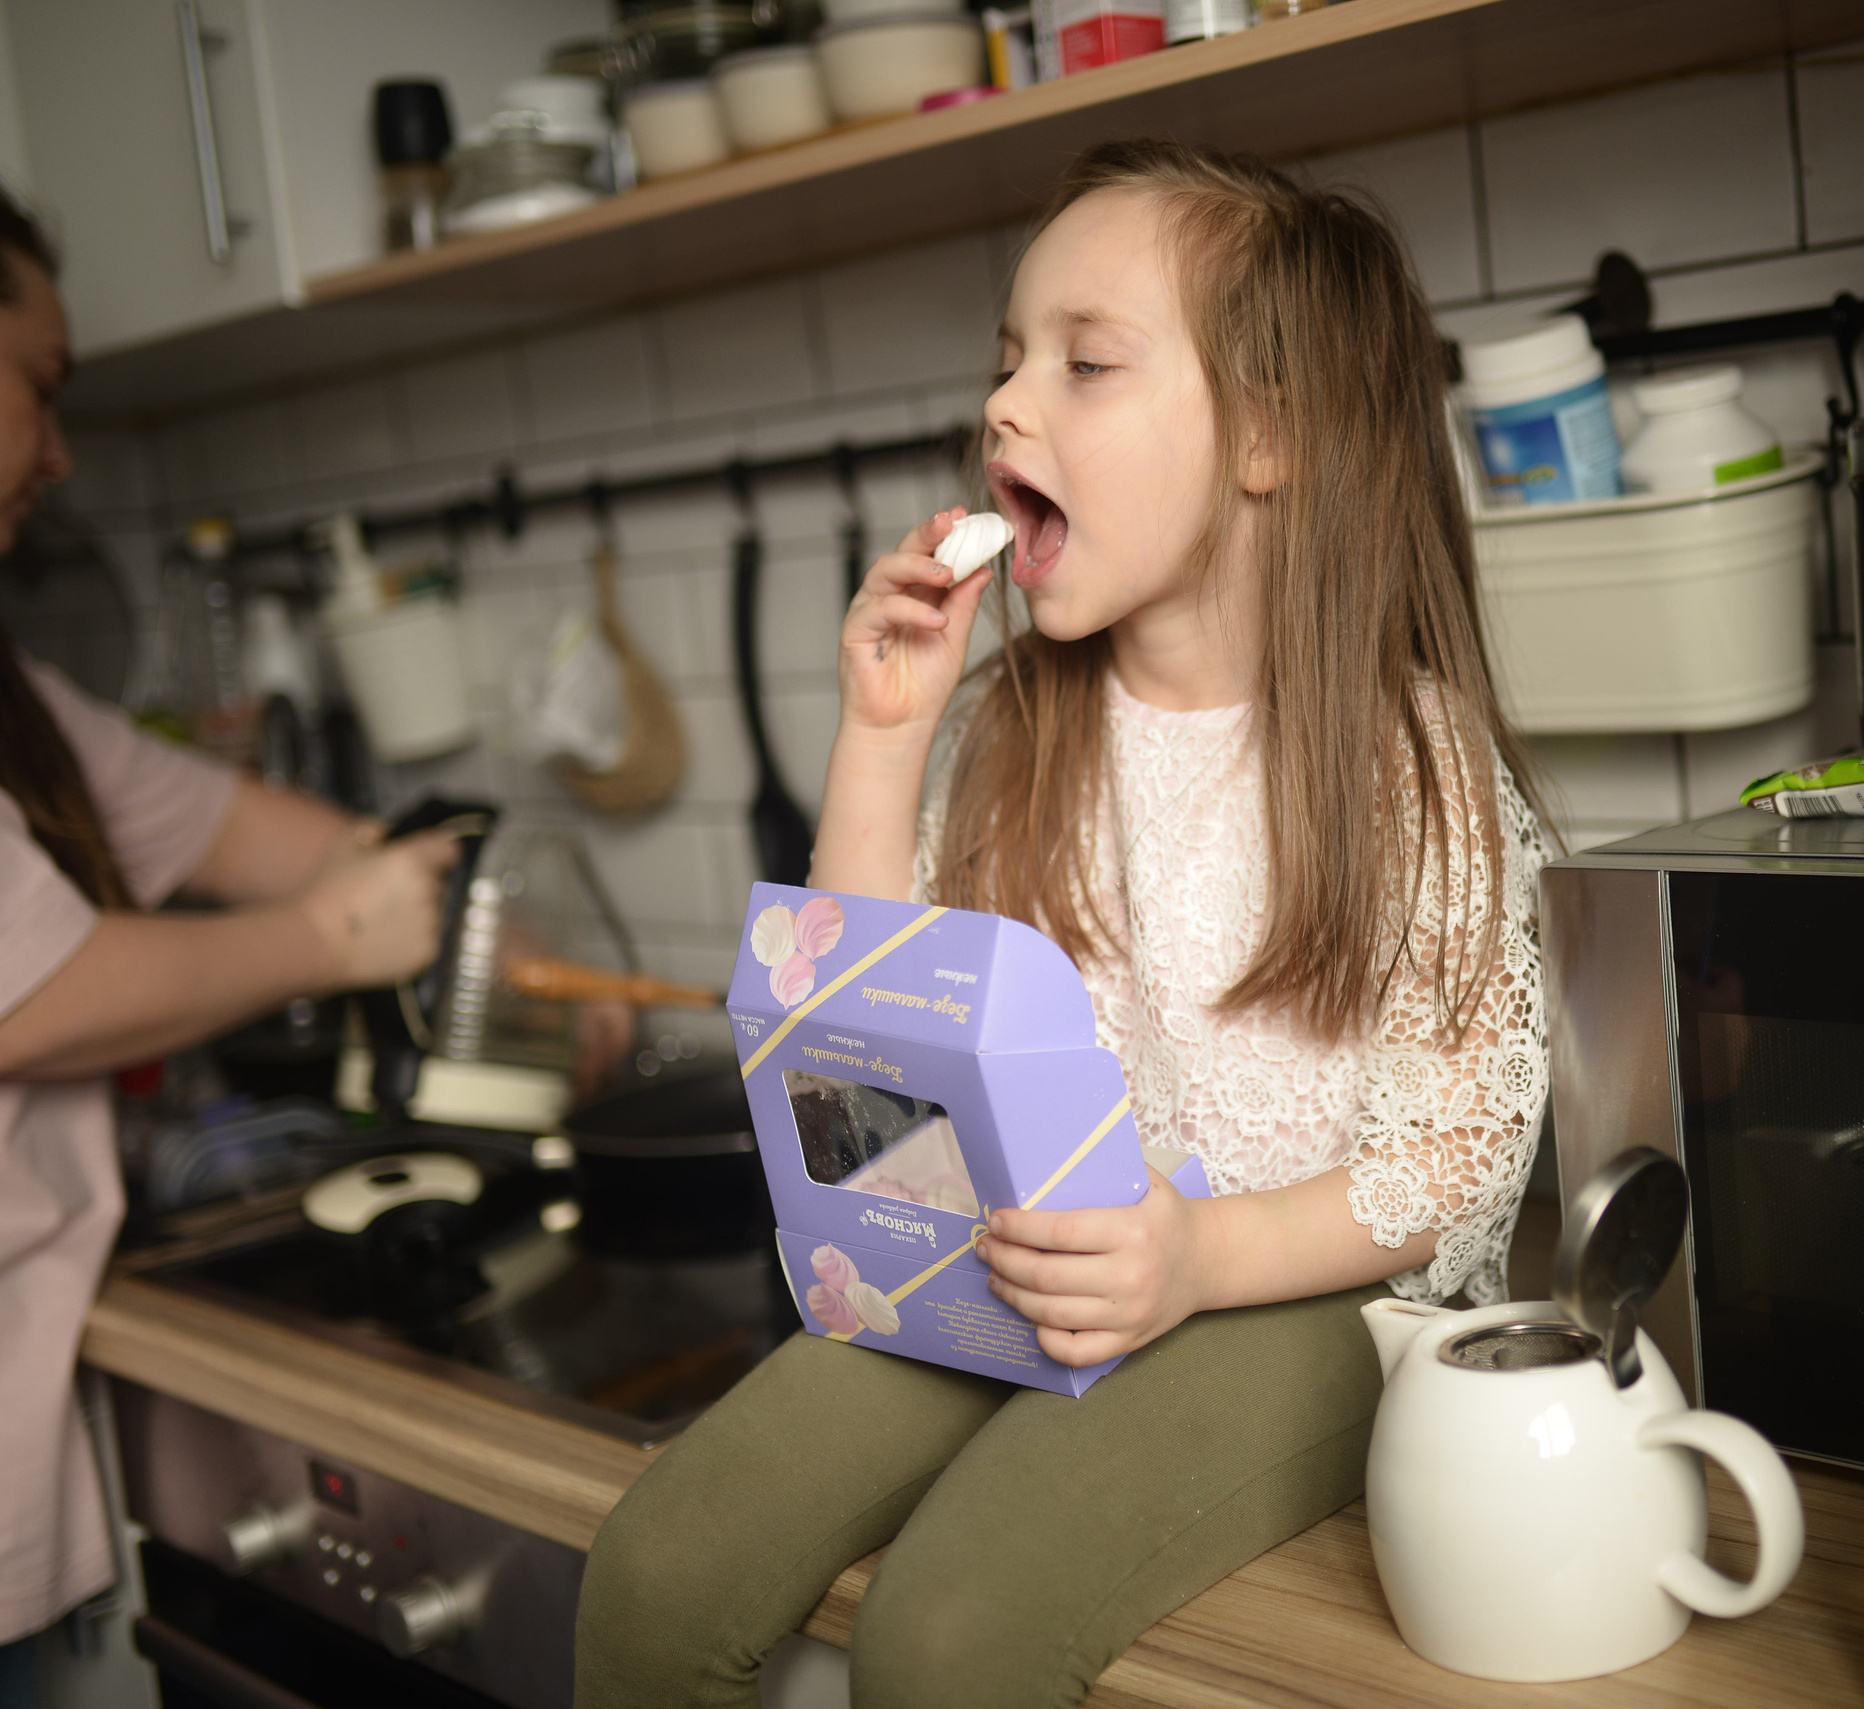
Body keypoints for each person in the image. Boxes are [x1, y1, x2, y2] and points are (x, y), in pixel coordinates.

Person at [575, 139, 1555, 1707]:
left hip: (1307, 1292)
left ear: (1270, 438)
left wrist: (1195, 1254)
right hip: (1026, 1253)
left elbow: (1460, 1151)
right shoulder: (1007, 729)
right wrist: (883, 738)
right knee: (656, 1570)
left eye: (1086, 362)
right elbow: (862, 1059)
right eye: (1009, 359)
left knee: (952, 1634)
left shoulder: (1407, 759)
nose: (1007, 405)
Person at [0, 192, 457, 1697]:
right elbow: (36, 990)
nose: (60, 454)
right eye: (43, 389)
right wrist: (334, 933)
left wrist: (473, 938)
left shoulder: (17, 694)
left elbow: (224, 825)